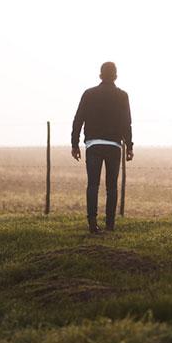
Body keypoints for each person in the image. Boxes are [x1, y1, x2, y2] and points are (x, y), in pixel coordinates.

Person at [71, 62, 134, 233]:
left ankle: (92, 224)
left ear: (100, 75)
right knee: (111, 187)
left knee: (93, 185)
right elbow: (126, 123)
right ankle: (110, 225)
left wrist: (74, 144)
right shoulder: (122, 96)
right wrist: (129, 146)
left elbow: (78, 119)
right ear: (115, 76)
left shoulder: (89, 94)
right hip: (114, 145)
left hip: (93, 145)